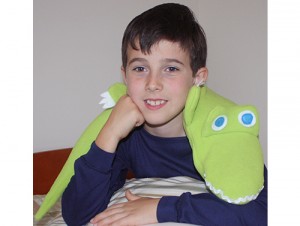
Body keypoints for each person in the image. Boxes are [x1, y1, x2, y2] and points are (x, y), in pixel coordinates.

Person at [61, 3, 267, 226]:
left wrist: (161, 208)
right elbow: (76, 214)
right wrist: (109, 133)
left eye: (171, 69)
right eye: (140, 68)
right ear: (125, 76)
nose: (152, 84)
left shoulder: (222, 131)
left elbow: (265, 212)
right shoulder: (128, 137)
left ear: (198, 77)